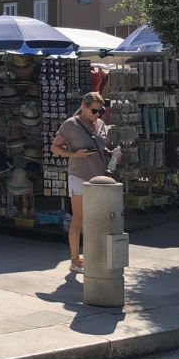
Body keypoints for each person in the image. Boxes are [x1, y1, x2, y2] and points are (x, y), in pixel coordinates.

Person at [51, 91, 116, 274]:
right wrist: (74, 154)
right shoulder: (71, 124)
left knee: (97, 218)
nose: (97, 115)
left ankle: (93, 255)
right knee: (79, 218)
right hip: (78, 174)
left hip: (98, 176)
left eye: (100, 111)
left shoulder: (100, 124)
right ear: (84, 107)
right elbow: (54, 147)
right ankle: (74, 259)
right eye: (94, 111)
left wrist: (110, 153)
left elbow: (101, 146)